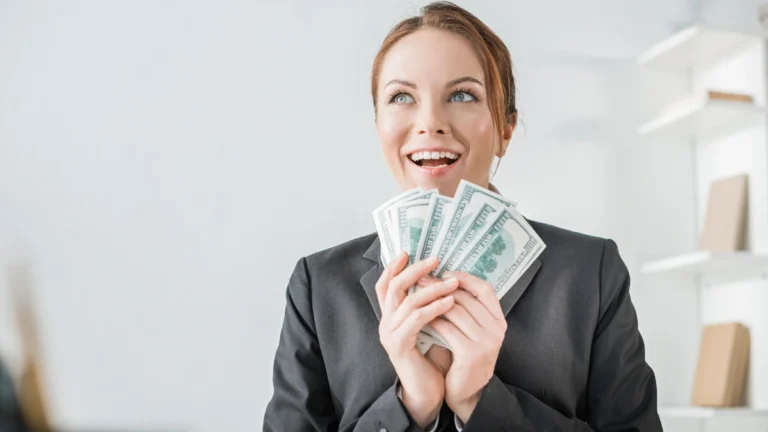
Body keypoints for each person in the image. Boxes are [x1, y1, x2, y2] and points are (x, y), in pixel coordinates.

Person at [263, 2, 663, 431]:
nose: (430, 122)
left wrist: (481, 401)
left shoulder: (590, 274)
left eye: (462, 95)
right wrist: (410, 405)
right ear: (378, 124)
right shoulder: (318, 286)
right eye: (401, 97)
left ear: (505, 129)